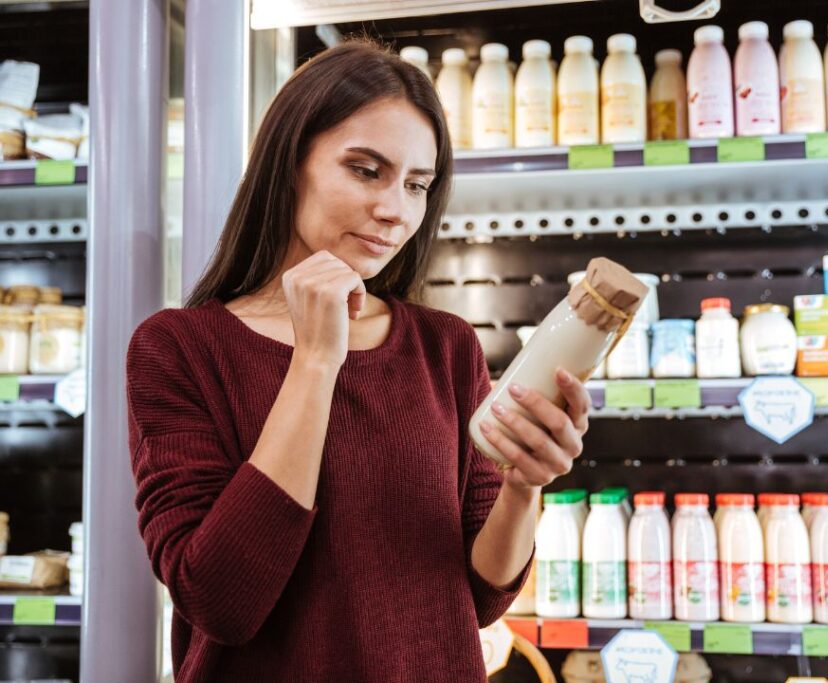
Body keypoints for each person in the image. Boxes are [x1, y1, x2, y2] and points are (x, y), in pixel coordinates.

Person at [125, 41, 590, 682]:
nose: (395, 210)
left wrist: (524, 484)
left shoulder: (445, 347)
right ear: (290, 164)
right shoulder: (178, 348)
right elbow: (221, 602)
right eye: (366, 170)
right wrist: (316, 360)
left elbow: (482, 598)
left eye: (417, 185)